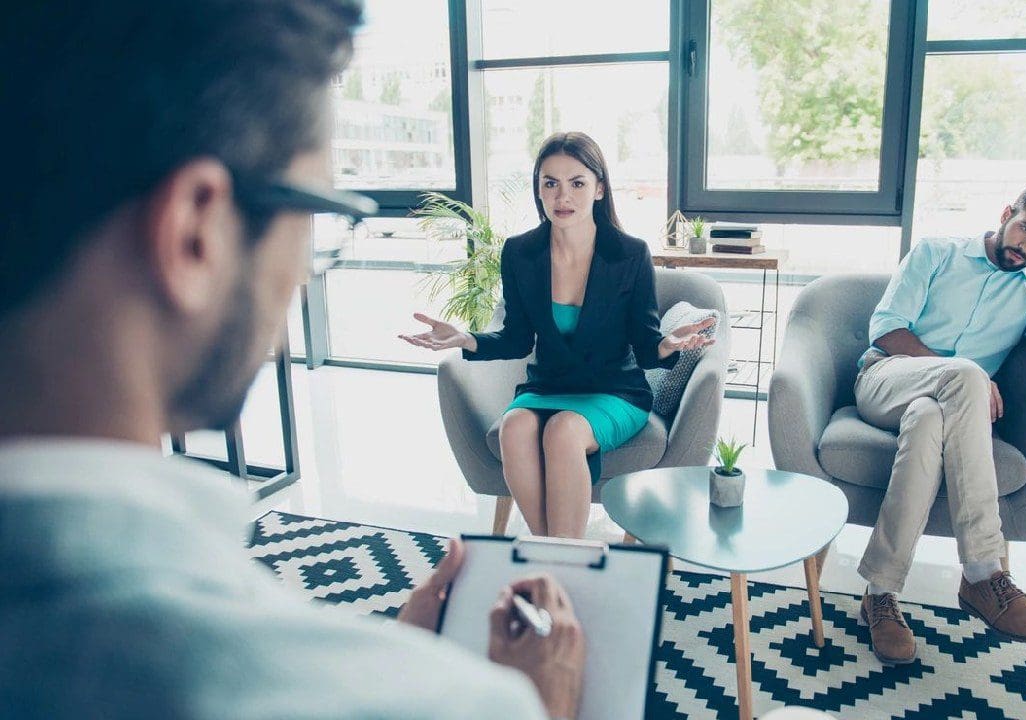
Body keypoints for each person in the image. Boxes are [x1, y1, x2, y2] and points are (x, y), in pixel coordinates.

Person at [0, 2, 586, 718]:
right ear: (196, 232)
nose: (305, 268)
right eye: (315, 210)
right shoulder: (461, 702)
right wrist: (543, 704)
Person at [401, 132, 715, 539]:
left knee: (564, 430)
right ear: (539, 188)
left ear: (600, 188)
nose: (562, 196)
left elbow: (645, 340)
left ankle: (557, 560)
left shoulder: (628, 253)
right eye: (550, 183)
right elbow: (516, 339)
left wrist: (668, 345)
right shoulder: (519, 252)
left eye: (577, 183)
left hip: (615, 391)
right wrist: (466, 339)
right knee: (513, 429)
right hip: (547, 386)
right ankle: (557, 553)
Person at [855, 180, 1026, 664]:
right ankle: (985, 572)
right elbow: (885, 328)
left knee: (927, 422)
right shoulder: (936, 253)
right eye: (1025, 228)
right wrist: (961, 373)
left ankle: (880, 593)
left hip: (939, 414)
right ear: (1007, 211)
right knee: (962, 374)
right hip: (885, 379)